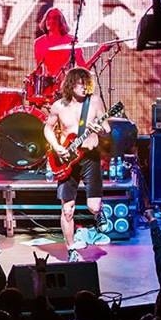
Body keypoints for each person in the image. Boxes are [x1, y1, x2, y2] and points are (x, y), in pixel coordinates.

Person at [44, 67, 112, 251]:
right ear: (71, 84)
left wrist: (101, 130)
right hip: (67, 160)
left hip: (90, 157)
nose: (84, 88)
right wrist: (56, 147)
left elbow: (107, 128)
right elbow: (48, 128)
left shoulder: (95, 101)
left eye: (87, 84)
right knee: (67, 209)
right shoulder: (58, 106)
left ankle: (99, 214)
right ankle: (71, 247)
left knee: (94, 207)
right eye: (81, 84)